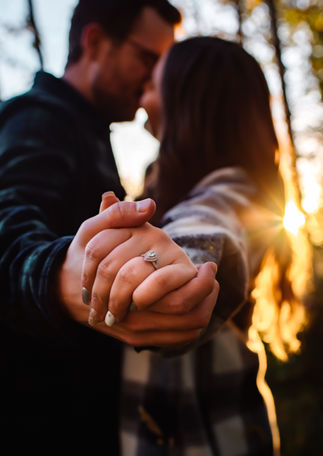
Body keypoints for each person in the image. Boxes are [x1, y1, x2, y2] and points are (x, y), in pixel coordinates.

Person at [0, 2, 219, 451]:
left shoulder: (90, 132)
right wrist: (62, 276)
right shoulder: (39, 119)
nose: (156, 76)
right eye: (148, 57)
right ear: (96, 42)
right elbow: (8, 222)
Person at [108, 37, 304, 455]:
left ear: (186, 99)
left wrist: (162, 273)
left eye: (153, 82)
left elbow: (204, 238)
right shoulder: (172, 187)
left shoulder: (232, 195)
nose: (143, 90)